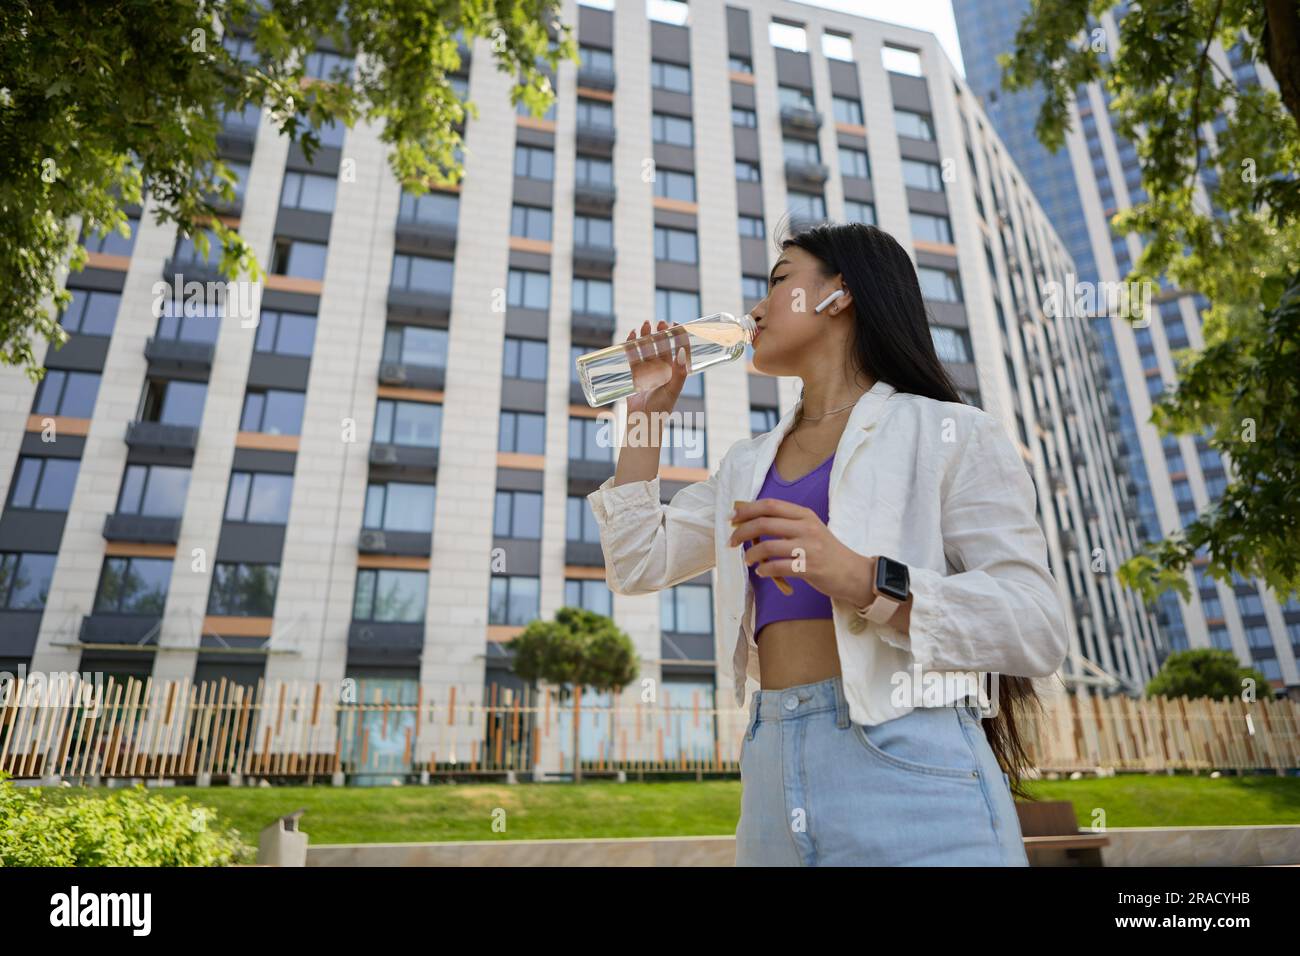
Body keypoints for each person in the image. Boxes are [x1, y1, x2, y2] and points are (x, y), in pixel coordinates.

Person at [586, 220, 1068, 865]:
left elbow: (1035, 626)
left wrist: (864, 578)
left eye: (779, 282)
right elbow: (637, 563)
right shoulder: (745, 463)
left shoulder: (952, 433)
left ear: (838, 294)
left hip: (911, 761)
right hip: (771, 762)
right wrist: (645, 414)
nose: (756, 308)